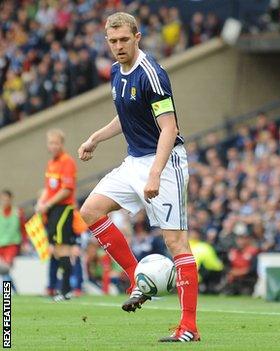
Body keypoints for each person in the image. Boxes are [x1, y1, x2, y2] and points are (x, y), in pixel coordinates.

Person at [77, 12, 199, 342]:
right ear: (107, 41)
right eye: (112, 41)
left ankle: (189, 325)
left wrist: (156, 175)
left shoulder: (152, 75)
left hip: (165, 161)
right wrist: (95, 138)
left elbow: (169, 129)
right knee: (89, 210)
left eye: (124, 40)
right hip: (134, 161)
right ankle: (136, 278)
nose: (118, 46)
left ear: (137, 37)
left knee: (176, 243)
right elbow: (125, 115)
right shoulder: (117, 73)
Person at [36, 129, 77, 301]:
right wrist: (41, 202)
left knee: (62, 248)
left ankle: (65, 289)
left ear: (62, 143)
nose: (53, 146)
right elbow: (48, 188)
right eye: (50, 143)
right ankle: (64, 289)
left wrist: (48, 204)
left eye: (56, 143)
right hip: (52, 210)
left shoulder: (67, 162)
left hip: (63, 208)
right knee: (56, 249)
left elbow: (66, 189)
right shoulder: (50, 163)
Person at [0, 190, 26, 283]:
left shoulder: (17, 212)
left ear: (11, 199)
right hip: (0, 244)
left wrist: (24, 243)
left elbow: (23, 228)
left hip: (12, 245)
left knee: (5, 268)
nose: (5, 201)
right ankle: (14, 292)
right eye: (3, 199)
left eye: (7, 199)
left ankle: (7, 296)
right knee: (3, 270)